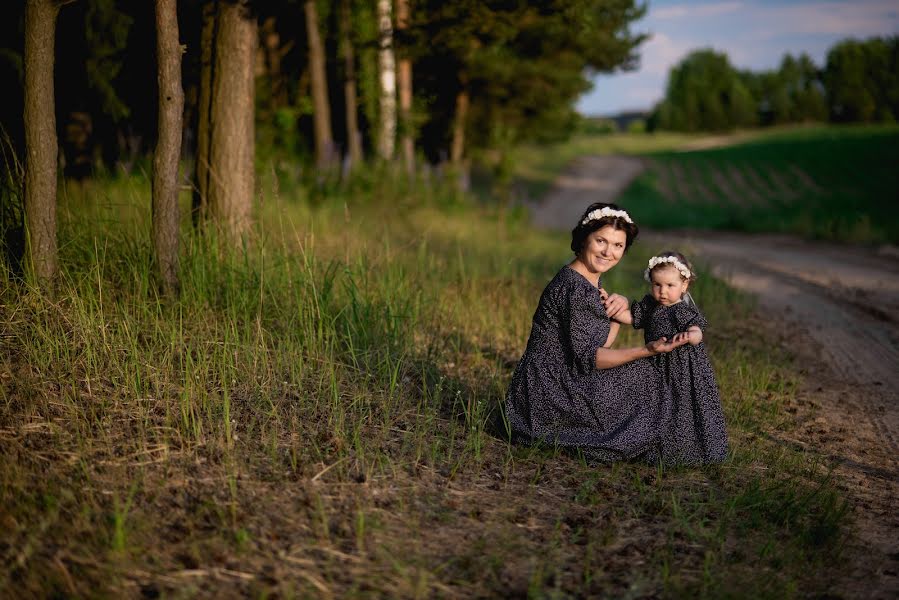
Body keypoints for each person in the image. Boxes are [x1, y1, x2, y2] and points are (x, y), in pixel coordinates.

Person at [504, 203, 689, 462]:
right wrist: (646, 350)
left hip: (555, 381)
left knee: (649, 375)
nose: (608, 252)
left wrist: (615, 317)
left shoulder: (588, 278)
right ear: (583, 238)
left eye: (618, 245)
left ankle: (655, 438)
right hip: (546, 394)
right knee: (650, 374)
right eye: (601, 240)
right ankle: (649, 441)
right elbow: (593, 358)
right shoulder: (575, 288)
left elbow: (598, 343)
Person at [612, 251, 728, 464]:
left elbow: (697, 331)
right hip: (655, 365)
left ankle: (684, 449)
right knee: (654, 405)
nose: (662, 291)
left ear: (684, 285)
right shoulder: (650, 306)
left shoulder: (682, 312)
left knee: (680, 406)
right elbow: (630, 317)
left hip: (682, 369)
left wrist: (690, 336)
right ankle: (650, 442)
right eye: (657, 285)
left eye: (670, 286)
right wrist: (613, 309)